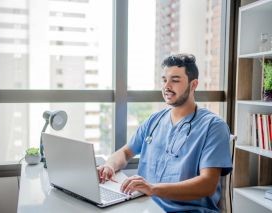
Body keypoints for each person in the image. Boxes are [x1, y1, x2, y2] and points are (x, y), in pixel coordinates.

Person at [97, 53, 232, 212]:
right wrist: (109, 166)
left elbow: (207, 184)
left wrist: (152, 188)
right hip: (147, 206)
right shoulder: (154, 121)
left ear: (193, 84)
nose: (167, 86)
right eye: (164, 80)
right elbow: (126, 152)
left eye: (175, 80)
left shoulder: (213, 126)